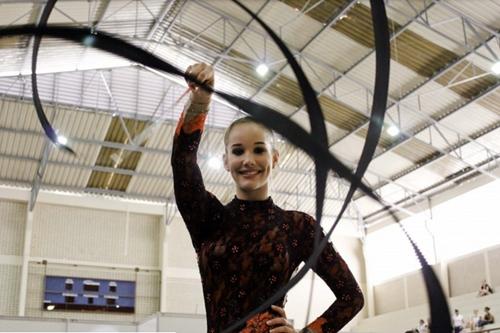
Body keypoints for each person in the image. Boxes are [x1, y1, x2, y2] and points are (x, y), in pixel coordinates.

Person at [171, 62, 364, 332]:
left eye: (259, 150)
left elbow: (351, 298)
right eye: (238, 151)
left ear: (274, 158)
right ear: (226, 161)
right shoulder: (207, 218)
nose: (248, 160)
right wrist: (201, 101)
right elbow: (182, 161)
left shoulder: (299, 227)